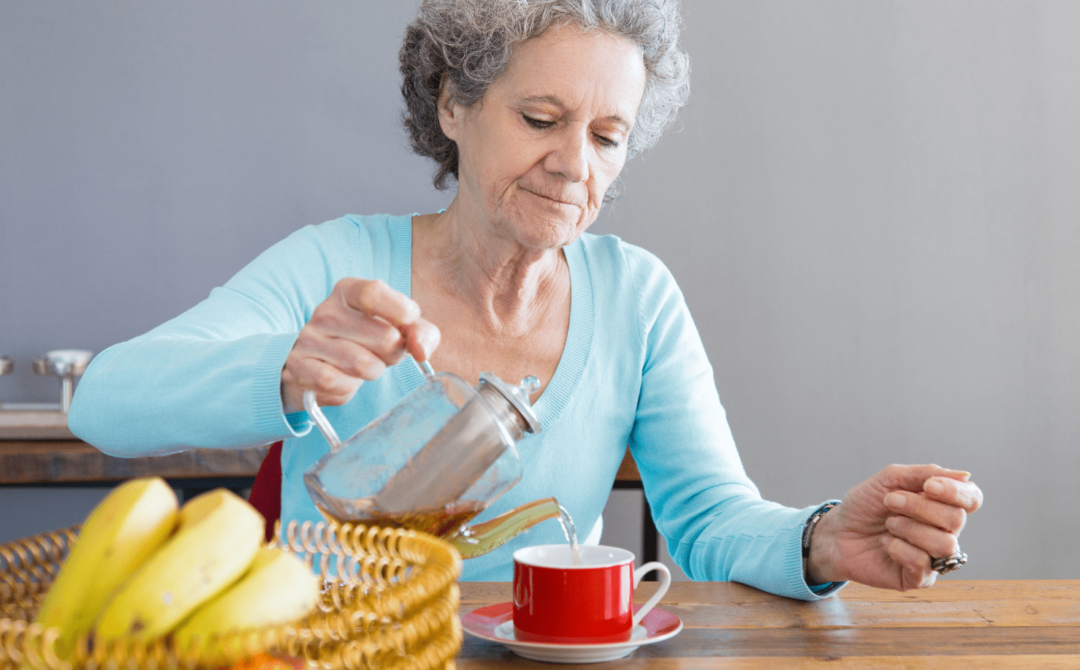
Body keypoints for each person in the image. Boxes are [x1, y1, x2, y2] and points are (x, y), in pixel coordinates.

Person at [69, 0, 982, 598]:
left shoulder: (636, 296)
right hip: (336, 652)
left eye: (609, 136)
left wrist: (823, 539)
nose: (575, 166)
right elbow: (106, 400)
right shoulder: (335, 262)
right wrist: (284, 365)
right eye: (540, 119)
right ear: (453, 105)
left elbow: (707, 521)